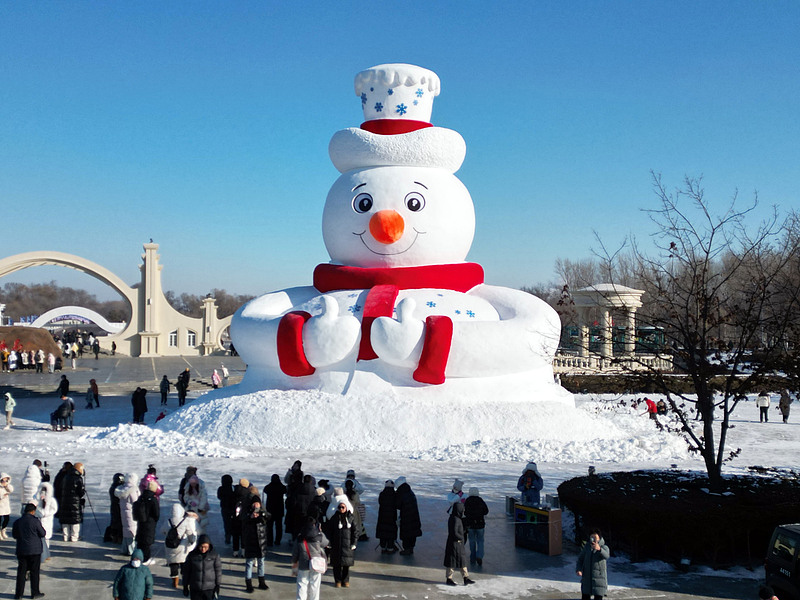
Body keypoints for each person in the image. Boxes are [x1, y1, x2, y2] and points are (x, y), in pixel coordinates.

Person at [12, 503, 46, 600]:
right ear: (33, 511)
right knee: (34, 572)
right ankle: (35, 592)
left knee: (21, 573)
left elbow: (14, 535)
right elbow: (43, 533)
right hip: (35, 551)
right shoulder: (35, 521)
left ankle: (19, 594)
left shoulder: (17, 522)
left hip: (22, 550)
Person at [292, 517, 329, 600]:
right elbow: (326, 543)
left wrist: (294, 562)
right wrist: (321, 531)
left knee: (302, 584)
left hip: (303, 563)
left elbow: (295, 552)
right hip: (316, 564)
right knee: (315, 585)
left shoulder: (300, 537)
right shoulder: (319, 535)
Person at [324, 495, 357, 588]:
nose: (341, 509)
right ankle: (337, 581)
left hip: (347, 546)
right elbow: (329, 531)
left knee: (346, 565)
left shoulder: (350, 518)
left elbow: (355, 531)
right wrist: (329, 542)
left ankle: (345, 580)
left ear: (346, 507)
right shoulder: (334, 518)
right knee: (336, 565)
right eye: (339, 507)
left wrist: (354, 543)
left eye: (343, 507)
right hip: (336, 545)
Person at [163, 503, 198, 589]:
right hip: (181, 546)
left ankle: (175, 581)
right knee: (183, 563)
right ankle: (185, 579)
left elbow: (162, 531)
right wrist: (191, 541)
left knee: (173, 564)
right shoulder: (184, 521)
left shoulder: (168, 521)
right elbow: (190, 533)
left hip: (170, 545)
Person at [241, 499, 270, 592]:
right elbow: (242, 520)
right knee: (249, 563)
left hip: (261, 541)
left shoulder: (262, 510)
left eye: (258, 503)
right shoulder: (247, 511)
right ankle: (248, 583)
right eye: (255, 503)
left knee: (261, 561)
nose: (256, 505)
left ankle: (261, 581)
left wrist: (262, 514)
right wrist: (251, 516)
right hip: (250, 541)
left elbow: (269, 517)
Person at [443, 502, 475, 586]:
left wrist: (464, 530)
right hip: (454, 544)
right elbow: (454, 532)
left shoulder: (457, 518)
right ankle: (449, 578)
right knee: (452, 562)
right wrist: (461, 537)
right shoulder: (454, 519)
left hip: (458, 544)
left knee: (462, 561)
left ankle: (466, 577)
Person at [183, 534, 221, 600]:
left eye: (205, 547)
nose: (203, 549)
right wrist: (185, 585)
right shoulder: (192, 555)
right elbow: (186, 571)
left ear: (209, 546)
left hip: (209, 588)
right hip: (195, 588)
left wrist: (218, 585)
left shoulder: (214, 555)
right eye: (201, 547)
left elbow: (218, 571)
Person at [576, 528, 610, 600]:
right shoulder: (587, 547)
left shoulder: (604, 547)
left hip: (599, 580)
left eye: (595, 538)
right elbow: (580, 559)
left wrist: (599, 550)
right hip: (587, 579)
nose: (593, 540)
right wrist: (579, 569)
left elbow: (606, 556)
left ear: (599, 538)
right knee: (585, 596)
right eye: (592, 537)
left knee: (598, 597)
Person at [134, 480, 160, 564]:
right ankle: (146, 558)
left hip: (141, 522)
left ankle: (138, 556)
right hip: (150, 523)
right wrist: (155, 520)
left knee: (141, 540)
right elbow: (156, 513)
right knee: (147, 541)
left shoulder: (141, 497)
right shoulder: (153, 499)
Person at [116, 472, 140, 556]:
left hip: (124, 513)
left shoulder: (122, 489)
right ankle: (131, 550)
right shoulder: (132, 490)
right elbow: (136, 502)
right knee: (131, 531)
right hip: (131, 513)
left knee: (126, 531)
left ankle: (124, 549)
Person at [395, 476, 422, 555]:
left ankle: (406, 549)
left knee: (406, 533)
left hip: (406, 518)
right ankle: (411, 548)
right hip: (414, 516)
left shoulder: (402, 493)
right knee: (412, 533)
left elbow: (398, 505)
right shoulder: (409, 491)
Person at [59, 462, 85, 542]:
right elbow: (80, 492)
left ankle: (65, 536)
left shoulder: (66, 476)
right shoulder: (78, 478)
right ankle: (74, 536)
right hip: (74, 502)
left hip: (64, 501)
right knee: (75, 519)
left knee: (66, 519)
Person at [464, 487, 489, 566]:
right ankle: (479, 555)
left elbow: (465, 512)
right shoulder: (480, 500)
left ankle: (473, 557)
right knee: (480, 540)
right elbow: (486, 511)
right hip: (480, 524)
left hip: (471, 525)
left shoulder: (467, 501)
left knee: (472, 541)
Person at [35, 481, 58, 561]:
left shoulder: (51, 500)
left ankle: (46, 553)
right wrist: (39, 513)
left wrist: (46, 514)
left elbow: (54, 509)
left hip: (47, 521)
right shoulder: (37, 499)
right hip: (39, 520)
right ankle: (39, 553)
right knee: (39, 538)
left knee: (46, 538)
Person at [261, 473, 286, 546]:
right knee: (279, 526)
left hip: (270, 509)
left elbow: (265, 490)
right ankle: (278, 540)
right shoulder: (282, 487)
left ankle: (270, 541)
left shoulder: (268, 487)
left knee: (269, 526)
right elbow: (285, 490)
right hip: (279, 509)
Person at [376, 479, 398, 553]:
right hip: (392, 517)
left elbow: (380, 502)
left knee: (383, 532)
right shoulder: (395, 495)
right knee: (391, 532)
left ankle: (383, 547)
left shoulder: (382, 494)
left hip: (382, 516)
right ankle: (390, 548)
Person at [106, 473, 125, 544]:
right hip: (118, 507)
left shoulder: (113, 487)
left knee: (115, 521)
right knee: (119, 522)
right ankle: (118, 537)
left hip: (114, 507)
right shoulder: (117, 489)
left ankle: (115, 536)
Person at [217, 474, 235, 545]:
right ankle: (234, 535)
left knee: (226, 523)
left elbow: (219, 497)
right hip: (233, 508)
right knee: (233, 522)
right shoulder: (233, 488)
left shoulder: (221, 488)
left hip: (224, 508)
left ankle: (228, 537)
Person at [0, 472, 13, 540]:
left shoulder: (7, 485)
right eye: (3, 480)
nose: (5, 481)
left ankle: (3, 530)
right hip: (0, 505)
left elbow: (11, 490)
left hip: (6, 506)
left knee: (6, 519)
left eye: (6, 480)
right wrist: (2, 496)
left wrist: (6, 486)